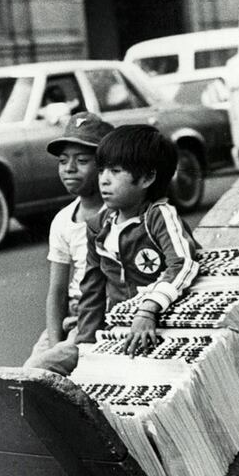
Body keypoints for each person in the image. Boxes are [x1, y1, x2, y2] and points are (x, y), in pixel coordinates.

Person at [74, 124, 200, 356]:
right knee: (50, 366)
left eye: (115, 171)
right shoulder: (98, 226)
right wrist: (85, 347)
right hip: (116, 330)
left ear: (147, 178)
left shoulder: (158, 216)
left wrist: (148, 310)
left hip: (158, 325)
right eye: (101, 170)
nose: (104, 180)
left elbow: (183, 263)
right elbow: (92, 291)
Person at [23, 112, 115, 369]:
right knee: (25, 376)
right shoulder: (63, 220)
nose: (69, 168)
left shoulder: (118, 215)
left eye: (82, 160)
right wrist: (55, 343)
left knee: (36, 371)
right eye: (63, 161)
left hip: (96, 318)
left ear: (105, 166)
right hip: (69, 318)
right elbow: (57, 291)